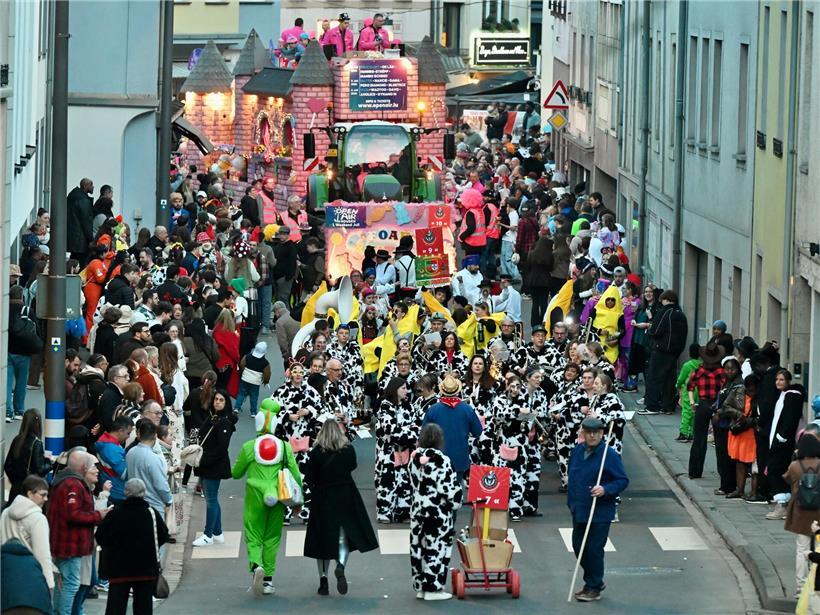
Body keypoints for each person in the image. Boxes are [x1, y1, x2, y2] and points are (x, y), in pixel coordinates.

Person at [232, 402, 302, 596]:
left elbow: (236, 473)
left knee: (253, 534)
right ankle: (268, 581)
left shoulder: (249, 447)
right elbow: (296, 475)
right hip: (278, 496)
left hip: (255, 495)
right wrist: (299, 501)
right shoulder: (285, 447)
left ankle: (256, 566)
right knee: (272, 538)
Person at [304, 420, 378, 596]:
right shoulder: (348, 450)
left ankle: (323, 580)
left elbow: (309, 477)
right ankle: (341, 565)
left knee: (322, 540)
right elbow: (352, 467)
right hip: (346, 494)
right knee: (344, 536)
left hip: (323, 496)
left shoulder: (316, 453)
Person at [567, 417, 629, 602]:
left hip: (599, 511)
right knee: (579, 547)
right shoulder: (577, 451)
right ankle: (594, 580)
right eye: (588, 432)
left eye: (596, 432)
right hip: (579, 508)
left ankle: (593, 585)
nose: (592, 435)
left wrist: (605, 489)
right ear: (583, 433)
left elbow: (622, 480)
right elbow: (573, 475)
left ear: (602, 434)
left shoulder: (608, 455)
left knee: (594, 549)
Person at [49, 449, 111, 615]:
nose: (97, 470)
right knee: (71, 584)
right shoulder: (74, 485)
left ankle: (59, 611)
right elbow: (73, 514)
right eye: (92, 467)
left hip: (65, 543)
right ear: (84, 467)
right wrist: (98, 515)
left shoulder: (64, 482)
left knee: (64, 583)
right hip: (70, 545)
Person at [95, 478, 168, 615]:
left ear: (125, 493)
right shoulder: (151, 513)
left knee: (116, 607)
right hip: (145, 569)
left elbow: (101, 537)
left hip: (119, 569)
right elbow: (163, 535)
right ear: (144, 493)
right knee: (143, 608)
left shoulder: (115, 513)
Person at [409, 423, 463, 601]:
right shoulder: (441, 460)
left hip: (418, 509)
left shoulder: (414, 457)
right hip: (437, 512)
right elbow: (448, 489)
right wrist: (456, 501)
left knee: (418, 548)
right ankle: (433, 588)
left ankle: (420, 587)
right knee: (436, 549)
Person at [193, 390, 237, 546]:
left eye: (221, 400)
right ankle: (217, 533)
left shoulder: (224, 421)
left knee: (211, 500)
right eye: (216, 399)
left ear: (226, 403)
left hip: (213, 465)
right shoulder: (213, 417)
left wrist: (205, 459)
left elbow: (222, 447)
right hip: (206, 464)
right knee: (212, 499)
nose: (217, 402)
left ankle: (208, 534)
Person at [421, 374, 482, 480]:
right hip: (459, 459)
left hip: (436, 459)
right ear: (458, 391)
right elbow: (477, 432)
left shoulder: (432, 410)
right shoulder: (467, 409)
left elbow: (423, 437)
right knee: (456, 491)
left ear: (442, 391)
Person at [0, 474, 55, 592]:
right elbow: (42, 554)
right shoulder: (38, 519)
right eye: (42, 495)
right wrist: (49, 583)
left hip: (5, 571)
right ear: (30, 494)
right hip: (29, 576)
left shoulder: (5, 512)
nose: (45, 499)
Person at [782, 434, 820, 598]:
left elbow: (786, 479)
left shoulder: (795, 466)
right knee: (818, 549)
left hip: (801, 512)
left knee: (802, 549)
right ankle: (816, 586)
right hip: (819, 513)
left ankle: (800, 587)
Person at [766, 369, 807, 521]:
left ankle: (782, 505)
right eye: (777, 379)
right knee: (780, 470)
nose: (778, 382)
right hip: (779, 439)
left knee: (775, 470)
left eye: (782, 380)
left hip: (784, 441)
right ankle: (784, 505)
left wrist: (781, 437)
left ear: (788, 381)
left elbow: (790, 419)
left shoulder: (792, 397)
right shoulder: (784, 395)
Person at [643, 290, 688, 415]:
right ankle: (668, 406)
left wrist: (650, 329)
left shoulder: (664, 312)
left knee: (654, 378)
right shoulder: (680, 314)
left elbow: (655, 331)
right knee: (669, 380)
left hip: (661, 350)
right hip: (674, 352)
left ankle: (652, 406)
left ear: (666, 300)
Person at [687, 343, 726, 479]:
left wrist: (692, 402)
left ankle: (695, 471)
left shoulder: (698, 371)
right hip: (717, 405)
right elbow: (725, 389)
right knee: (720, 441)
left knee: (699, 439)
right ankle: (723, 472)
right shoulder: (722, 372)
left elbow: (690, 387)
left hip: (703, 405)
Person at [7, 285, 43, 422]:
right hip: (24, 352)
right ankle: (19, 410)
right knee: (21, 383)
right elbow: (36, 331)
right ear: (22, 296)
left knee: (7, 382)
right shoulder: (27, 311)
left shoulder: (5, 309)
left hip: (7, 351)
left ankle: (7, 411)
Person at [126, 421, 173, 519]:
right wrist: (169, 500)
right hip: (152, 507)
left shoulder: (130, 452)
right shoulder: (153, 458)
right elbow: (161, 485)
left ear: (139, 434)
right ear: (155, 436)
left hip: (132, 504)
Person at [3, 409, 52, 504]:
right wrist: (50, 463)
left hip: (16, 488)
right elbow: (40, 469)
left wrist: (15, 480)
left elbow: (7, 465)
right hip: (31, 489)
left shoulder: (17, 440)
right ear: (38, 424)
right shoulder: (37, 443)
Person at [96, 416, 134, 506]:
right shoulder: (111, 449)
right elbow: (125, 473)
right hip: (117, 492)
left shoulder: (105, 443)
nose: (128, 437)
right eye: (128, 433)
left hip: (112, 489)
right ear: (120, 430)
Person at [668, 343, 701, 439]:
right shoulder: (702, 365)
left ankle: (683, 432)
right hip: (699, 391)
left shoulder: (687, 365)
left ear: (690, 353)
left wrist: (677, 386)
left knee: (686, 411)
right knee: (694, 412)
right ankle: (692, 433)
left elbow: (681, 379)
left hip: (688, 390)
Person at [236, 342, 272, 416]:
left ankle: (236, 407)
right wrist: (266, 381)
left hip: (245, 379)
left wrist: (241, 373)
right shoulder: (265, 363)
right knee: (254, 396)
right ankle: (253, 412)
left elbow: (242, 364)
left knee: (241, 394)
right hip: (255, 382)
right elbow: (267, 373)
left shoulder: (247, 356)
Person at [213, 308, 241, 397]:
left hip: (217, 361)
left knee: (218, 386)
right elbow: (233, 350)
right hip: (226, 363)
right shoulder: (228, 333)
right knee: (224, 388)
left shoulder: (216, 329)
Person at [67, 178, 95, 264]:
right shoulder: (83, 201)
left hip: (73, 238)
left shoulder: (72, 198)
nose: (93, 187)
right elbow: (86, 221)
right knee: (81, 264)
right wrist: (91, 239)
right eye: (91, 185)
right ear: (85, 186)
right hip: (81, 240)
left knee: (74, 261)